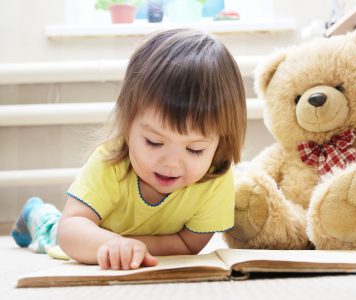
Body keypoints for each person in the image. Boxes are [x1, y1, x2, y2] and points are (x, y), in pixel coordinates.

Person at [11, 28, 247, 270]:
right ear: (126, 124)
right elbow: (70, 229)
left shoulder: (215, 178)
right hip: (93, 234)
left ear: (222, 142)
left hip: (126, 241)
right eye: (154, 142)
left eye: (195, 149)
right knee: (51, 227)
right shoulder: (110, 162)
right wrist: (111, 243)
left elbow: (189, 245)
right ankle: (35, 213)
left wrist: (131, 247)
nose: (171, 163)